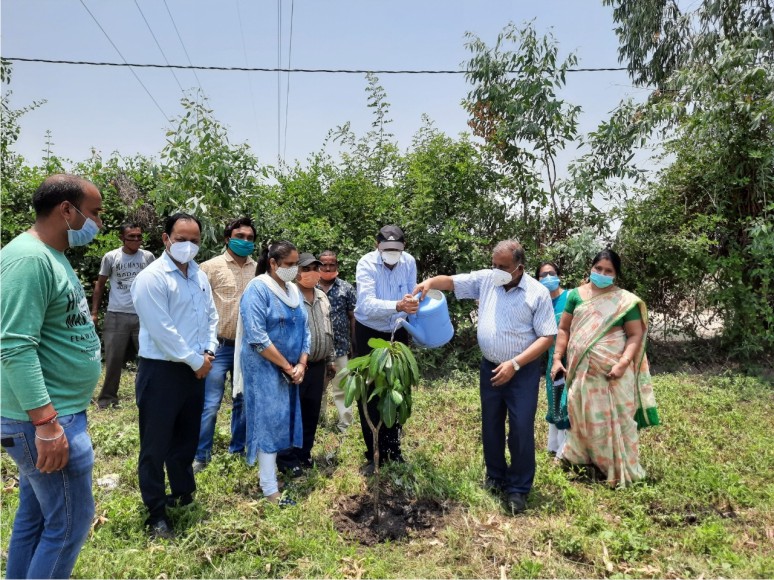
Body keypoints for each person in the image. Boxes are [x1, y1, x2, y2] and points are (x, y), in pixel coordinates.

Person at [1, 174, 103, 578]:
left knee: (37, 517)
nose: (97, 223)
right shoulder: (29, 259)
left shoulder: (51, 255)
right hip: (45, 421)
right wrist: (46, 424)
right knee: (69, 524)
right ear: (66, 210)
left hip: (57, 414)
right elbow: (14, 345)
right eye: (93, 213)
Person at [414, 240, 557, 514]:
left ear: (519, 268)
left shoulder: (537, 293)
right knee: (491, 425)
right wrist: (429, 282)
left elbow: (547, 337)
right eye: (494, 265)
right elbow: (453, 282)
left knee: (521, 428)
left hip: (521, 371)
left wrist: (514, 364)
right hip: (490, 367)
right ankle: (495, 477)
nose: (496, 271)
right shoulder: (487, 281)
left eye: (502, 267)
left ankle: (518, 489)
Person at [131, 213, 219, 539]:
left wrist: (208, 351)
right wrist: (195, 360)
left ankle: (182, 494)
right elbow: (162, 330)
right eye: (182, 239)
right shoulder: (152, 278)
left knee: (186, 439)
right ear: (166, 239)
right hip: (163, 370)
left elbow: (211, 315)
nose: (188, 245)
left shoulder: (199, 275)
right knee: (155, 445)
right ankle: (156, 514)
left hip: (196, 368)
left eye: (194, 240)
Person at [550, 249, 659, 487]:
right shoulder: (576, 296)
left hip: (612, 374)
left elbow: (634, 335)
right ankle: (582, 459)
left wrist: (622, 364)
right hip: (581, 371)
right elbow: (564, 329)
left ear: (616, 275)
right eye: (598, 268)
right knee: (581, 413)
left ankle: (617, 466)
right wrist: (558, 358)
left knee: (616, 418)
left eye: (608, 271)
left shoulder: (624, 301)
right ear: (590, 268)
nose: (601, 273)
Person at [239, 241, 310, 506]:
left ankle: (275, 475)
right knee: (267, 422)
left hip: (291, 369)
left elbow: (306, 330)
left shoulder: (292, 290)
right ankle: (269, 489)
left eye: (295, 264)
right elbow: (256, 337)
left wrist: (301, 363)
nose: (293, 269)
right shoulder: (258, 289)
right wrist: (287, 366)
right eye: (289, 265)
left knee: (283, 418)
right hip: (265, 368)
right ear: (273, 263)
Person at [192, 217, 256, 473]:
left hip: (248, 347)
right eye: (240, 236)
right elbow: (196, 306)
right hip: (217, 346)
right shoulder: (209, 267)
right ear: (227, 237)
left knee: (242, 400)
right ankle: (201, 454)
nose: (245, 241)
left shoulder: (259, 269)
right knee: (209, 403)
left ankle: (237, 449)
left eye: (250, 238)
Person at [353, 225, 418, 473]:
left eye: (397, 249)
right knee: (370, 392)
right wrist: (397, 304)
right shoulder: (366, 264)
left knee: (397, 388)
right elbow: (366, 303)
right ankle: (374, 453)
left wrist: (412, 304)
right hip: (369, 330)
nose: (392, 253)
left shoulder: (409, 262)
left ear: (403, 248)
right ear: (376, 245)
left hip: (398, 329)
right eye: (387, 248)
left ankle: (394, 449)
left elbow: (412, 294)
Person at [276, 253, 335, 475]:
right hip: (297, 367)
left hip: (319, 365)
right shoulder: (288, 297)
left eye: (314, 268)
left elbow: (329, 330)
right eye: (306, 268)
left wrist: (330, 360)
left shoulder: (322, 297)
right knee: (292, 413)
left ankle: (304, 454)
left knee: (311, 413)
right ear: (296, 272)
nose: (311, 273)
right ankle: (287, 458)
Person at [91, 223, 155, 409]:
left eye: (138, 236)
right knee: (113, 359)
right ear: (122, 238)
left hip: (142, 315)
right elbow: (100, 284)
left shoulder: (148, 257)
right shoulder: (111, 257)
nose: (135, 240)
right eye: (131, 237)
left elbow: (155, 282)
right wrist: (94, 313)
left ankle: (147, 397)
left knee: (148, 358)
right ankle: (107, 399)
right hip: (116, 314)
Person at [317, 250, 357, 433]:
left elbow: (353, 318)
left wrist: (354, 344)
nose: (327, 267)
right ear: (318, 266)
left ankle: (345, 425)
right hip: (318, 349)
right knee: (318, 389)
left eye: (331, 264)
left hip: (341, 347)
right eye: (323, 264)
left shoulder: (346, 288)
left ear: (337, 266)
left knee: (342, 388)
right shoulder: (310, 287)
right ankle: (317, 424)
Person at [536, 261, 570, 458]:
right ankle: (554, 446)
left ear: (559, 275)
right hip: (553, 360)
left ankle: (566, 451)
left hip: (572, 359)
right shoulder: (541, 303)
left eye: (552, 273)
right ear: (538, 280)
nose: (548, 277)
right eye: (543, 275)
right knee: (555, 400)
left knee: (568, 402)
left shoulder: (570, 297)